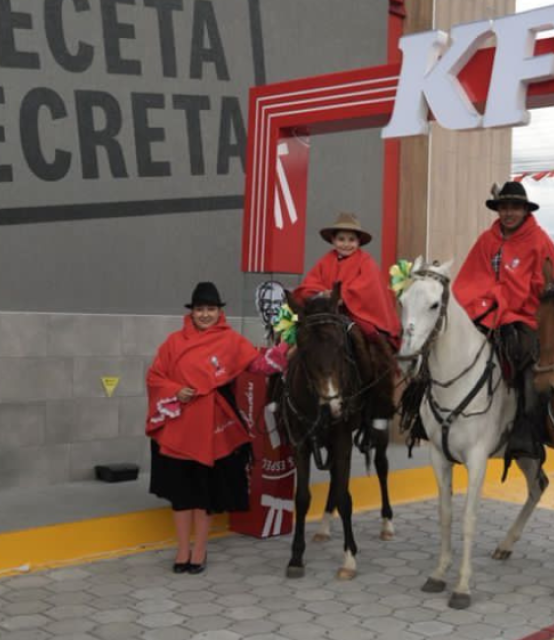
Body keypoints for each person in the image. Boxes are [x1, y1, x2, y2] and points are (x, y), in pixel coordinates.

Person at [146, 282, 287, 574]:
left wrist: (289, 347)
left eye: (211, 309)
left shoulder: (231, 341)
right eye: (200, 309)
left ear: (219, 312)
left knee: (203, 494)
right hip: (178, 426)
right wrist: (176, 390)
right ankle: (182, 550)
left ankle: (199, 551)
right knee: (181, 494)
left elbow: (259, 365)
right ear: (192, 312)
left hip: (211, 427)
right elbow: (155, 377)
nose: (205, 314)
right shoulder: (173, 342)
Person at [452, 181, 554, 461]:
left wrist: (511, 302)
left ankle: (528, 429)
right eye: (504, 207)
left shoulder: (540, 241)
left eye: (515, 207)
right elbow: (471, 278)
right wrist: (486, 302)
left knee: (527, 360)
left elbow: (550, 284)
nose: (509, 213)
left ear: (525, 210)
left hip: (524, 316)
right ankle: (430, 417)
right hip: (486, 313)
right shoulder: (486, 240)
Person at [294, 212, 401, 352]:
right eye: (341, 239)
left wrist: (342, 296)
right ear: (333, 240)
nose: (346, 244)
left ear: (358, 242)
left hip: (355, 312)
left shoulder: (366, 261)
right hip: (326, 311)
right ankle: (284, 364)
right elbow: (310, 283)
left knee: (370, 333)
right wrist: (321, 294)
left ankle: (383, 362)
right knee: (299, 332)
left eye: (351, 240)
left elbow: (368, 287)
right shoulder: (326, 260)